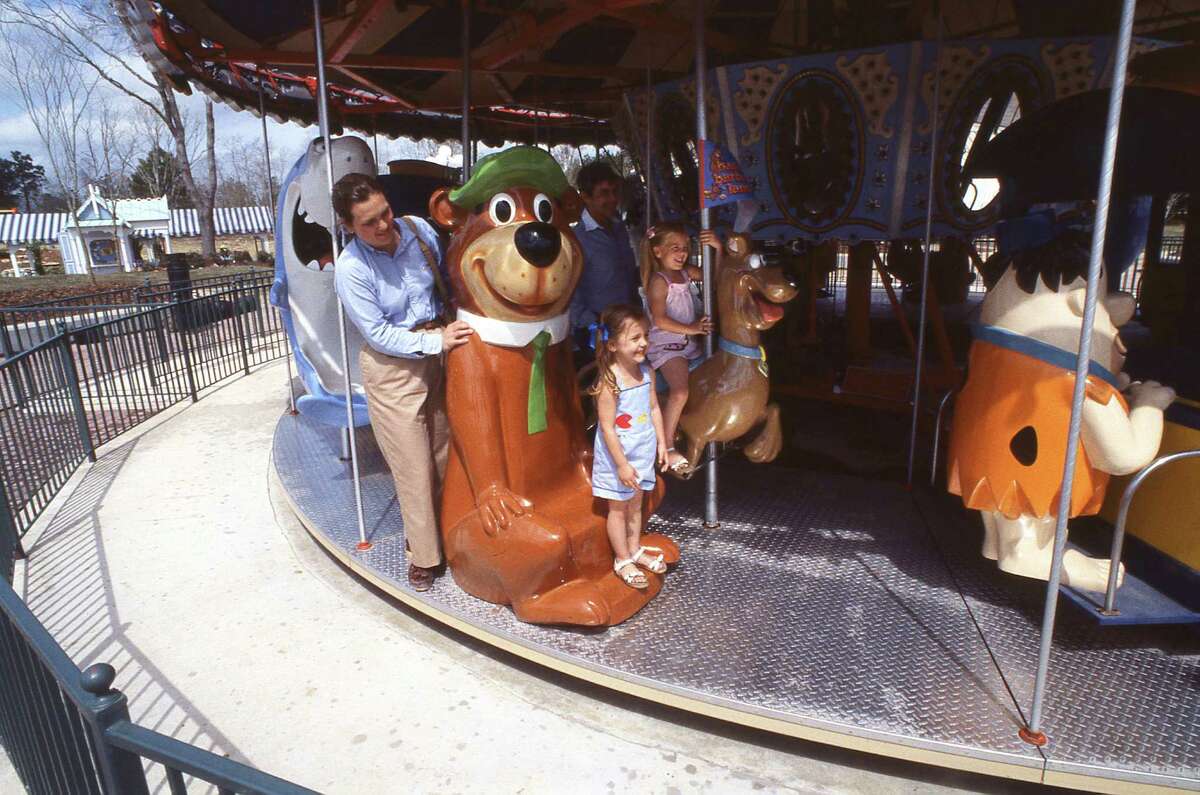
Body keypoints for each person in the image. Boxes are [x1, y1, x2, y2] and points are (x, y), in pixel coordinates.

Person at [331, 172, 473, 592]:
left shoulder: (417, 230)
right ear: (348, 227)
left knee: (446, 452)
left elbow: (446, 278)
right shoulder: (352, 269)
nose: (382, 226)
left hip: (438, 351)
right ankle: (424, 556)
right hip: (393, 369)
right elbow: (378, 333)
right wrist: (435, 340)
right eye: (368, 223)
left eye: (385, 213)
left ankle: (454, 538)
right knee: (413, 467)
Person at [588, 304, 670, 590]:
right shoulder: (610, 382)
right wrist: (621, 464)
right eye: (635, 338)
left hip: (643, 451)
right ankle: (622, 558)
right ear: (612, 345)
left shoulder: (647, 372)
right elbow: (607, 427)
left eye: (645, 336)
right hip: (618, 458)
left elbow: (655, 408)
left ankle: (635, 548)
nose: (644, 343)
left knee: (636, 504)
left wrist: (663, 443)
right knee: (619, 508)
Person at [641, 223, 715, 472]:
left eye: (685, 248)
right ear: (658, 251)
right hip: (667, 346)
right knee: (681, 392)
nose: (682, 253)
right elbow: (659, 319)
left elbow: (715, 275)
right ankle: (668, 446)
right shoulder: (659, 281)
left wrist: (717, 248)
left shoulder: (685, 273)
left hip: (688, 344)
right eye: (675, 248)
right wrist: (694, 328)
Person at [569, 162, 641, 348]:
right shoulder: (577, 239)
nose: (613, 199)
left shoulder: (619, 228)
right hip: (597, 333)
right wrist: (593, 322)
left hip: (628, 323)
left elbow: (629, 274)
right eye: (604, 193)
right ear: (585, 197)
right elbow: (570, 293)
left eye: (614, 191)